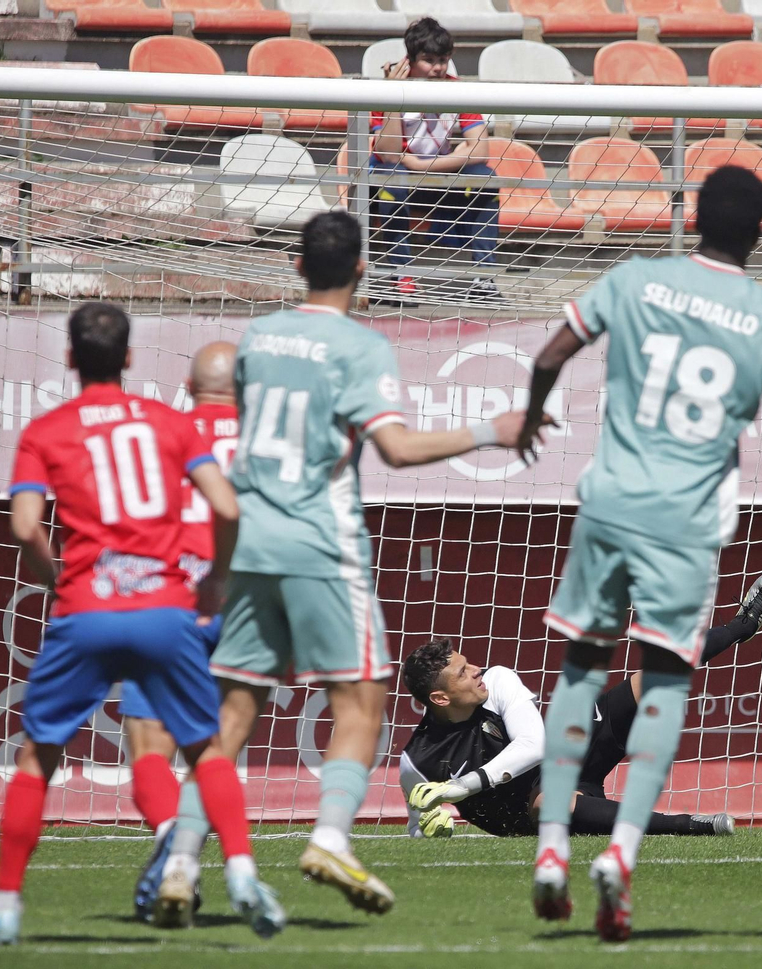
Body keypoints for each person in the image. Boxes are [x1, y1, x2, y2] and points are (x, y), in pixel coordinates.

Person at [153, 210, 548, 921]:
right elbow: (394, 448)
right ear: (362, 272)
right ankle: (330, 837)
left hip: (251, 544)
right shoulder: (360, 346)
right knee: (362, 700)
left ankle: (181, 860)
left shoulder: (257, 338)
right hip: (321, 544)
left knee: (233, 714)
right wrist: (494, 429)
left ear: (298, 267)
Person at [515, 166, 762, 941]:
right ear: (759, 231)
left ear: (690, 217)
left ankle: (551, 846)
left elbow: (550, 355)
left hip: (612, 499)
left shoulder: (635, 279)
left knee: (580, 669)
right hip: (685, 521)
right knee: (662, 683)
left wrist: (530, 420)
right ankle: (619, 852)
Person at [0, 303, 282, 946]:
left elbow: (25, 525)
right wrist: (218, 576)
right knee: (206, 746)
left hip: (87, 606)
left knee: (40, 757)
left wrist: (52, 577)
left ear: (69, 358)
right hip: (172, 607)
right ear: (130, 359)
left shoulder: (45, 430)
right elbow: (226, 504)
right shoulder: (167, 423)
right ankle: (244, 872)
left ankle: (6, 906)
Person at [400, 569, 762, 839]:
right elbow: (418, 827)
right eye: (465, 673)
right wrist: (435, 827)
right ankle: (694, 826)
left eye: (470, 663)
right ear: (440, 698)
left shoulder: (497, 680)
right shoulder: (418, 761)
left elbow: (536, 746)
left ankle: (743, 624)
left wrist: (460, 788)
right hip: (537, 810)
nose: (478, 669)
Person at [124, 340, 240, 920]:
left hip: (176, 598)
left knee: (150, 744)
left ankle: (174, 845)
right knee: (216, 746)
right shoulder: (266, 438)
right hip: (246, 603)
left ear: (189, 388)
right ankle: (201, 859)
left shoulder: (160, 432)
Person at [371, 16, 500, 304]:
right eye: (428, 60)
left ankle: (484, 279)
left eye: (443, 59)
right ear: (410, 61)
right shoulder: (387, 90)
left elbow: (479, 151)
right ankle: (400, 274)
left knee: (486, 178)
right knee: (393, 178)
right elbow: (389, 153)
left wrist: (421, 165)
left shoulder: (459, 90)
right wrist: (393, 97)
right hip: (391, 177)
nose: (437, 68)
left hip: (431, 173)